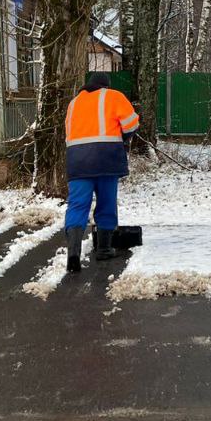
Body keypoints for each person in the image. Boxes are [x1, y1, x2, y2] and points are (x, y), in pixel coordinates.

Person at [63, 71, 140, 273]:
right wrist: (125, 135)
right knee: (106, 203)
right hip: (106, 159)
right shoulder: (113, 96)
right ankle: (104, 249)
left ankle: (73, 253)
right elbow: (132, 123)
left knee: (77, 205)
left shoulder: (73, 103)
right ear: (105, 85)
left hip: (77, 161)